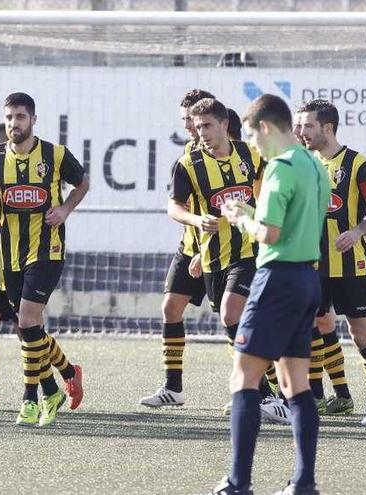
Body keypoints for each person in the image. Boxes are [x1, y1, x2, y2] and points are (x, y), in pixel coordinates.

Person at [209, 93, 329, 495]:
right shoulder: (314, 164)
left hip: (276, 278)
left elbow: (270, 233)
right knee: (297, 384)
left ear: (264, 128)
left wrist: (242, 218)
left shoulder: (279, 168)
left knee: (244, 377)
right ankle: (304, 482)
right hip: (307, 280)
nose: (253, 146)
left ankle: (238, 483)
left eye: (251, 136)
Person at [167, 97, 290, 424]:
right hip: (212, 258)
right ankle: (273, 394)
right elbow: (174, 207)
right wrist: (196, 222)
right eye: (196, 126)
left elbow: (269, 190)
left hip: (250, 252)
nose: (201, 132)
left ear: (224, 124)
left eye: (207, 125)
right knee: (235, 325)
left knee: (231, 313)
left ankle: (265, 394)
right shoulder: (188, 165)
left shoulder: (250, 154)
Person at [0, 92, 90, 427]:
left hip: (47, 250)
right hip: (9, 254)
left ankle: (30, 398)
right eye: (9, 118)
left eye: (20, 117)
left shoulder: (54, 154)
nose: (13, 124)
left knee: (26, 321)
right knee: (31, 327)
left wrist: (65, 209)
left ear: (33, 120)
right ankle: (59, 379)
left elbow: (82, 183)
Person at [297, 99, 366, 425]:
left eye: (308, 125)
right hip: (312, 265)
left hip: (352, 265)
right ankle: (317, 397)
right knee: (312, 325)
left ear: (328, 127)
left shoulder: (358, 163)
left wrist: (357, 230)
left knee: (359, 332)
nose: (302, 131)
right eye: (300, 125)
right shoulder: (304, 164)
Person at [139, 89, 213, 408]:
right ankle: (173, 387)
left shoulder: (230, 152)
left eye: (192, 120)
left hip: (224, 248)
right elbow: (177, 205)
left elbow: (234, 204)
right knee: (170, 307)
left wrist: (208, 247)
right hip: (190, 246)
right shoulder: (188, 152)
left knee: (237, 318)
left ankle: (266, 392)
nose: (187, 126)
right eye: (184, 120)